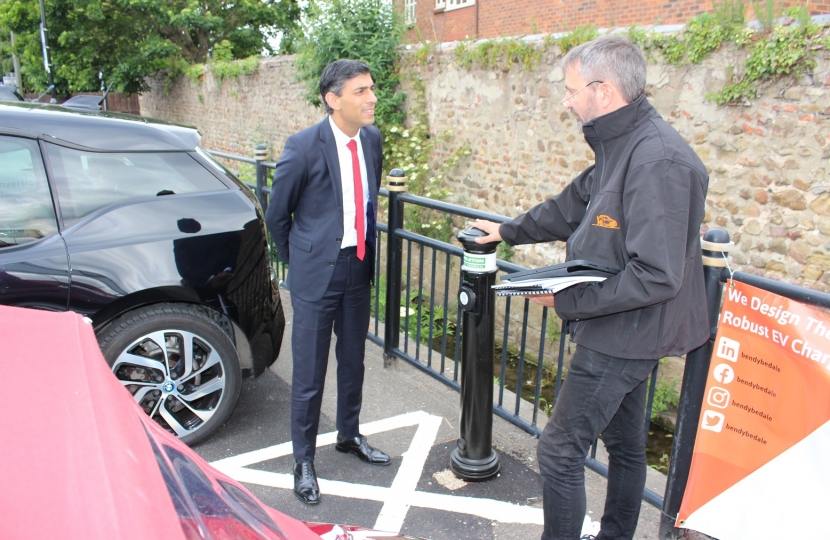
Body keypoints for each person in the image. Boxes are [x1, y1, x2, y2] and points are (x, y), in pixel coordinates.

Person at [472, 35, 709, 540]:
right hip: (619, 325)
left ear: (602, 91)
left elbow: (656, 275)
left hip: (626, 334)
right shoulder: (621, 143)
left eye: (571, 89)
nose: (566, 99)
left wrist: (567, 298)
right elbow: (570, 206)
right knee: (625, 449)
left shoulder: (657, 160)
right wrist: (505, 230)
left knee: (558, 450)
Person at [265, 59, 389, 506]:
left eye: (371, 88)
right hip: (317, 275)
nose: (372, 98)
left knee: (353, 361)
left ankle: (349, 435)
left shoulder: (372, 140)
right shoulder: (302, 147)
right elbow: (277, 217)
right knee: (310, 373)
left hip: (358, 267)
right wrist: (300, 265)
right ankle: (303, 460)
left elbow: (367, 201)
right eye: (361, 91)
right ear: (333, 99)